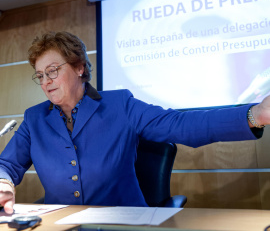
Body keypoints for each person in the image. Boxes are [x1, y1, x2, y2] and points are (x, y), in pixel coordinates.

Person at [0, 31, 270, 214]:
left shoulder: (121, 105)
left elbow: (180, 124)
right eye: (39, 76)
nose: (45, 82)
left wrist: (254, 115)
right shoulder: (35, 118)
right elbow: (7, 165)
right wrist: (3, 183)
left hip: (123, 224)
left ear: (79, 67)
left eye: (52, 71)